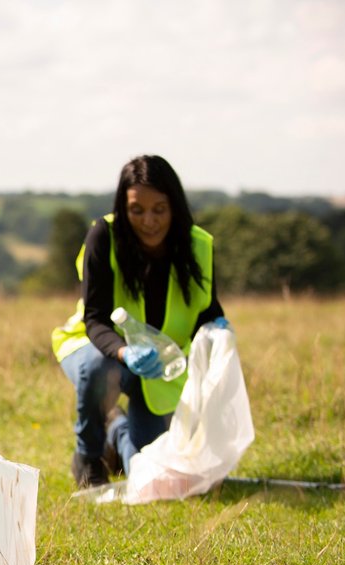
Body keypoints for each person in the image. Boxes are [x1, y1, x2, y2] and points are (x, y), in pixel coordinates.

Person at [50, 155, 228, 487]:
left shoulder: (198, 246)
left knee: (151, 477)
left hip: (160, 366)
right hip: (99, 350)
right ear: (123, 206)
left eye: (159, 209)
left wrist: (219, 327)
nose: (149, 221)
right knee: (99, 368)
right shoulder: (103, 236)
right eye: (137, 210)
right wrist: (124, 353)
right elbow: (95, 319)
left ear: (174, 206)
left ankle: (117, 432)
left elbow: (207, 310)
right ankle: (88, 459)